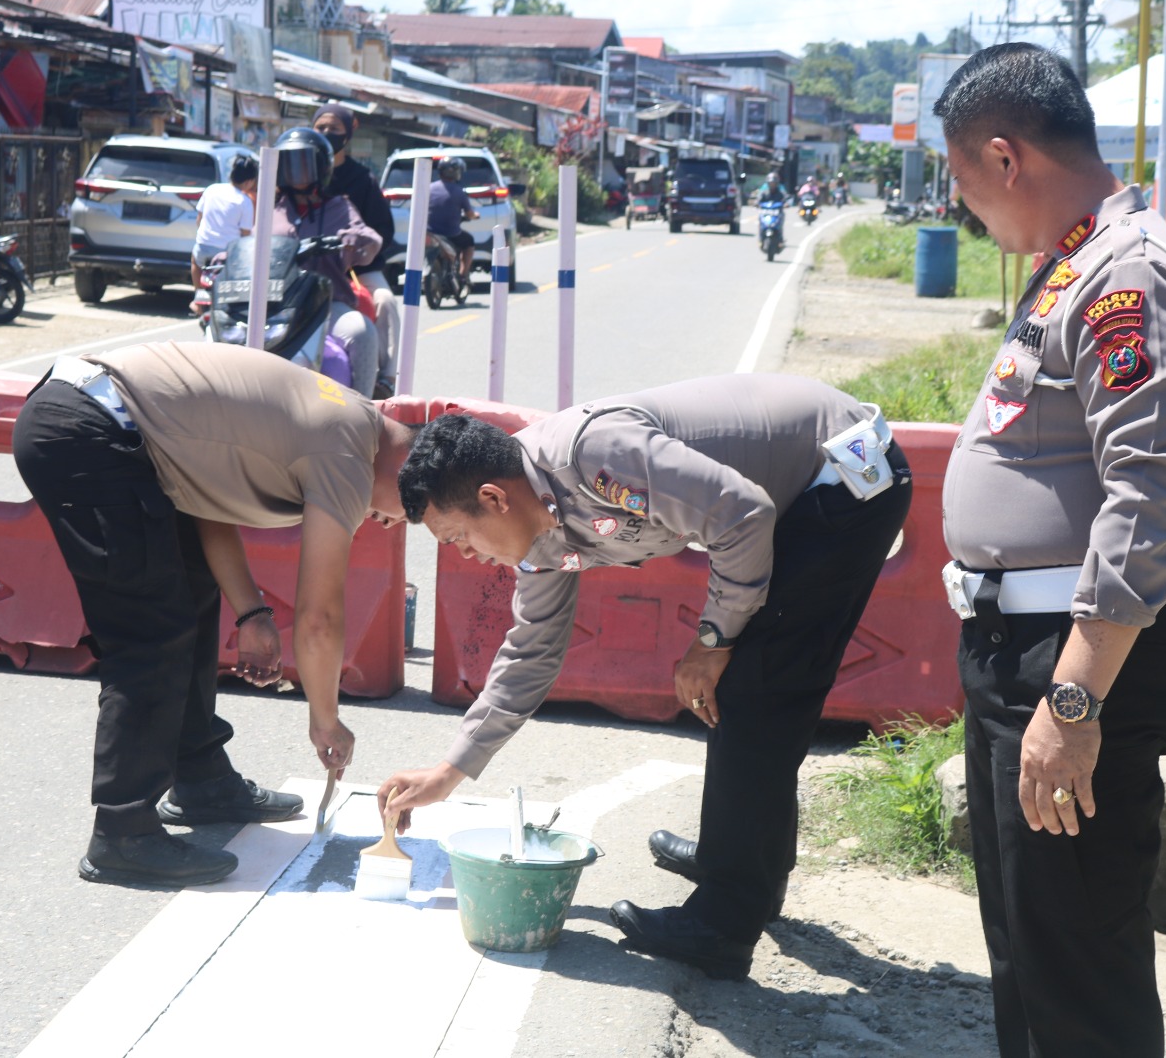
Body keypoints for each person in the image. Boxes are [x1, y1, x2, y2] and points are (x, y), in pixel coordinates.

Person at [377, 375, 913, 980]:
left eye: (458, 538)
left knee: (756, 687)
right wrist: (451, 770)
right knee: (756, 688)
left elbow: (742, 516)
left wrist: (712, 641)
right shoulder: (537, 522)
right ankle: (740, 865)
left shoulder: (595, 456)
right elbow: (532, 650)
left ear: (494, 499)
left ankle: (723, 921)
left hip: (843, 478)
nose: (465, 556)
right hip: (793, 498)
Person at [934, 44, 1166, 1057]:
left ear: (1005, 158)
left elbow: (1146, 497)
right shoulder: (1075, 260)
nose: (971, 216)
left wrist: (1072, 700)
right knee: (1030, 948)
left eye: (965, 187)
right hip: (1028, 645)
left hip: (1076, 657)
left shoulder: (1126, 272)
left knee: (1078, 968)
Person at [11, 340, 419, 888]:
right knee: (151, 629)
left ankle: (200, 779)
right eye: (404, 514)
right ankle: (122, 834)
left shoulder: (349, 422)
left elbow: (206, 493)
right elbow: (320, 615)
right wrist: (325, 718)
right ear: (407, 471)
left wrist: (250, 610)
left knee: (191, 591)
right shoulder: (347, 454)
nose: (389, 523)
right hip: (89, 429)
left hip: (114, 430)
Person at [269, 127, 383, 397]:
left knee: (360, 330)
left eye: (303, 164)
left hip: (326, 304)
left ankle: (364, 415)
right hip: (275, 304)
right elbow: (252, 243)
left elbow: (371, 238)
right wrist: (223, 256)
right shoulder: (272, 209)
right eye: (289, 163)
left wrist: (356, 238)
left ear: (321, 167)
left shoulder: (339, 208)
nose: (296, 172)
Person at [313, 104, 400, 400]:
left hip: (356, 270)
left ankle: (385, 378)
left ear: (349, 134)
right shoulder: (294, 179)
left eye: (334, 129)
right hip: (306, 270)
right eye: (320, 128)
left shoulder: (363, 180)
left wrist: (358, 252)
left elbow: (383, 231)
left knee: (385, 302)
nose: (326, 134)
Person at [191, 154, 258, 287]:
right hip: (227, 253)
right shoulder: (244, 201)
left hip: (204, 247)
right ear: (249, 182)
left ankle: (198, 296)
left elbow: (199, 220)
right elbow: (245, 235)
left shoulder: (212, 189)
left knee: (195, 262)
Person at [427, 156, 480, 283]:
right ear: (456, 172)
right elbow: (469, 213)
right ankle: (463, 274)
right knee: (469, 242)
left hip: (429, 232)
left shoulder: (428, 188)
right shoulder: (459, 191)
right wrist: (475, 215)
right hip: (451, 234)